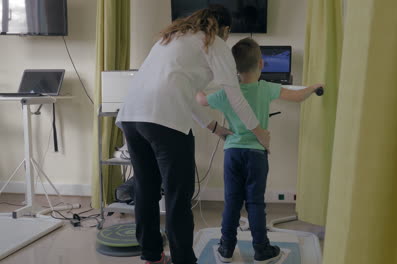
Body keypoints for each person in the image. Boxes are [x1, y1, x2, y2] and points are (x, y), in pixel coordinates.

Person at [115, 6, 271, 264]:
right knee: (178, 195)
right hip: (164, 121)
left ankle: (152, 256)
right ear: (225, 29)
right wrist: (260, 132)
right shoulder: (215, 42)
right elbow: (235, 96)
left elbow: (181, 95)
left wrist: (214, 127)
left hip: (131, 116)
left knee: (146, 190)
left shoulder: (170, 39)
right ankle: (184, 259)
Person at [196, 37, 323, 264]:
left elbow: (202, 101)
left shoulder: (226, 93)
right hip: (256, 154)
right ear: (261, 64)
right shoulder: (266, 88)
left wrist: (195, 85)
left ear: (233, 68)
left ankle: (225, 249)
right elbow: (297, 96)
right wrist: (313, 88)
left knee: (232, 201)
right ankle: (262, 250)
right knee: (255, 203)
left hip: (232, 154)